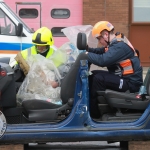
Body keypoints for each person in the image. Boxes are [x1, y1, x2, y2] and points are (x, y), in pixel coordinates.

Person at [85, 21, 143, 118]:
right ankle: (92, 106)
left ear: (105, 34)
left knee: (98, 78)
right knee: (93, 74)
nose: (99, 42)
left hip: (131, 84)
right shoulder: (115, 42)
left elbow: (103, 60)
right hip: (124, 79)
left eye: (99, 39)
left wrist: (86, 55)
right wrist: (88, 50)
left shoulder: (119, 46)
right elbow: (101, 51)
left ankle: (94, 115)